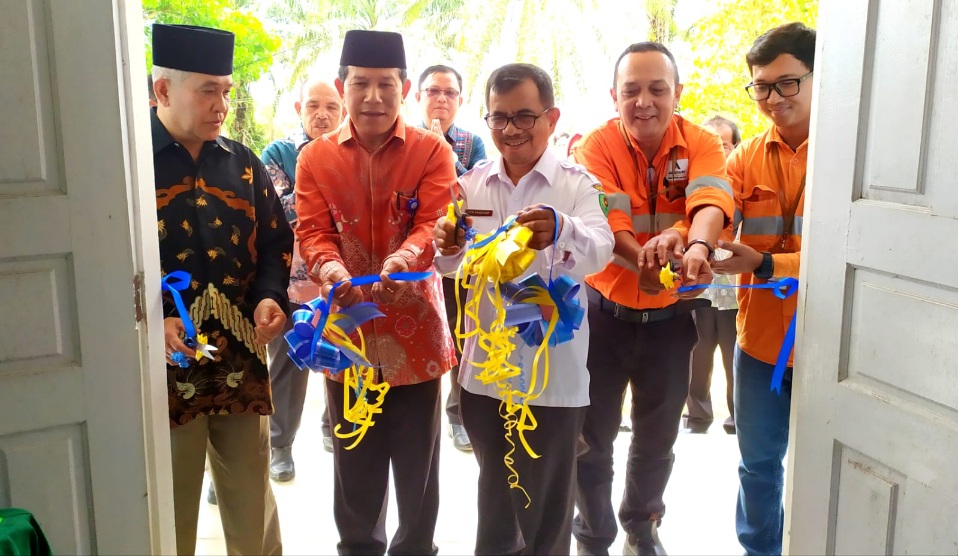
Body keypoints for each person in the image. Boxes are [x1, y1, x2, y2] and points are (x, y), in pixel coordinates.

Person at [434, 63, 614, 555]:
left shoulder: (577, 186)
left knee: (549, 508)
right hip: (485, 377)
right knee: (495, 498)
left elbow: (601, 249)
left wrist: (563, 229)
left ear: (551, 118)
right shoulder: (471, 185)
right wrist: (446, 245)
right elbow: (452, 267)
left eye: (524, 116)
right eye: (498, 118)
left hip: (552, 375)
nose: (510, 130)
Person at [294, 30, 457, 555]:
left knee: (419, 470)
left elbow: (434, 222)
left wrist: (407, 257)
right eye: (360, 83)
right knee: (355, 462)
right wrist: (329, 267)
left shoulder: (432, 151)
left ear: (404, 88)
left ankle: (416, 548)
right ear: (343, 87)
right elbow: (313, 230)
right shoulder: (314, 159)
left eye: (385, 84)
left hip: (416, 336)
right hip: (349, 337)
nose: (372, 96)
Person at [571, 42, 734, 556]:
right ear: (614, 97)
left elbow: (711, 200)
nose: (644, 101)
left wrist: (696, 241)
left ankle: (641, 526)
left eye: (657, 89)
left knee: (658, 436)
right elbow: (607, 223)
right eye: (631, 91)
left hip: (671, 320)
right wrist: (650, 253)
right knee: (590, 436)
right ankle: (593, 532)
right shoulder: (594, 147)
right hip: (602, 317)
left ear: (677, 93)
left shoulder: (702, 142)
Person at [151, 23, 291, 556]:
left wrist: (270, 298)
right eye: (208, 89)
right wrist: (146, 323)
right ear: (164, 91)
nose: (221, 105)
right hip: (164, 367)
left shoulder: (243, 164)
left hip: (239, 355)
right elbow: (102, 261)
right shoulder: (127, 166)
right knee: (170, 502)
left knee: (250, 495)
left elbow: (278, 242)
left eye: (226, 91)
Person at [711, 22, 816, 556]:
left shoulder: (851, 157)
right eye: (761, 87)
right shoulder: (743, 157)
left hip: (831, 345)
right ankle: (760, 551)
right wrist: (694, 243)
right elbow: (716, 215)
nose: (773, 98)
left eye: (787, 83)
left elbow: (852, 256)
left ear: (820, 77)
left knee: (827, 468)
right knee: (757, 466)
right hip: (760, 344)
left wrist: (769, 263)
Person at [261, 77, 345, 471]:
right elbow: (285, 211)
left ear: (343, 109)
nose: (323, 115)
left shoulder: (353, 151)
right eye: (313, 106)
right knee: (287, 363)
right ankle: (280, 445)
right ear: (299, 109)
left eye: (331, 106)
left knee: (342, 356)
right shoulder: (277, 153)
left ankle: (335, 429)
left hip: (342, 281)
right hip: (293, 279)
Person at [415, 63, 487, 452]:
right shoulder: (405, 140)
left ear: (460, 100)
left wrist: (443, 147)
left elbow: (475, 194)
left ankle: (458, 415)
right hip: (414, 260)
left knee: (462, 333)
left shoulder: (472, 143)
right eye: (433, 91)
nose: (440, 99)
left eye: (449, 93)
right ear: (418, 97)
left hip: (459, 256)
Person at [683, 115, 742, 435]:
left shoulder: (742, 179)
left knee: (735, 350)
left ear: (735, 146)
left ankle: (738, 416)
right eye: (711, 145)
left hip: (735, 287)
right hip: (701, 286)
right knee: (699, 348)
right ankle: (697, 415)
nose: (717, 151)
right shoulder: (695, 183)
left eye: (723, 145)